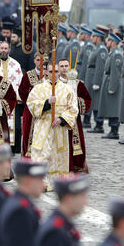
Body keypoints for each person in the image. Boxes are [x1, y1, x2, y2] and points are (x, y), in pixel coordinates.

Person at [26, 61, 78, 190]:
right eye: (50, 72)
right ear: (46, 72)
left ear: (59, 71)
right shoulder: (38, 88)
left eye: (56, 71)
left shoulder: (67, 89)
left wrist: (62, 118)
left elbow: (73, 109)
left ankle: (57, 182)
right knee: (41, 153)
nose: (53, 74)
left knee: (58, 155)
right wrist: (46, 103)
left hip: (59, 128)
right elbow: (31, 104)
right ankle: (40, 182)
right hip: (43, 126)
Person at [58, 59, 91, 172]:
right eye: (61, 66)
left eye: (66, 66)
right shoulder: (54, 83)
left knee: (74, 143)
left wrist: (75, 102)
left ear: (69, 67)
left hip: (73, 120)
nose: (64, 68)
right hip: (58, 119)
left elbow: (87, 99)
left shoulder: (78, 83)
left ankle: (76, 165)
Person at [98, 32, 124, 139]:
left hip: (113, 83)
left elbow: (115, 73)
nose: (107, 42)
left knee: (113, 107)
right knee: (110, 107)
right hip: (109, 81)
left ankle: (114, 131)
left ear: (113, 42)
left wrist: (112, 87)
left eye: (109, 40)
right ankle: (112, 130)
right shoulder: (112, 53)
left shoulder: (117, 54)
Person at [86, 28, 108, 134]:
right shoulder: (97, 48)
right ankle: (97, 124)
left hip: (95, 77)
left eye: (94, 36)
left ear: (98, 38)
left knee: (97, 102)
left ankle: (99, 124)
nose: (92, 38)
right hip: (91, 76)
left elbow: (100, 67)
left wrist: (96, 82)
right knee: (93, 101)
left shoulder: (102, 49)